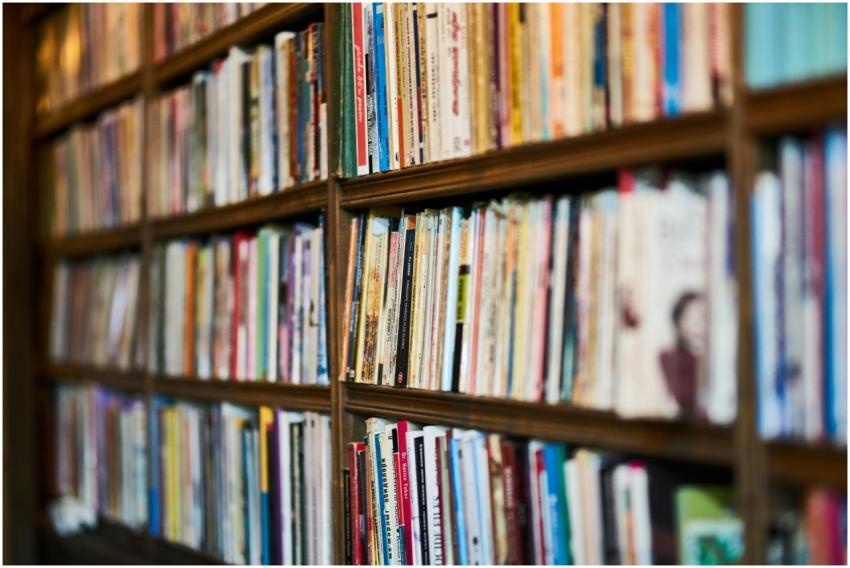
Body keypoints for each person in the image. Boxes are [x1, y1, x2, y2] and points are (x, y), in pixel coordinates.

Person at [659, 291, 706, 417]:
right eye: (699, 316)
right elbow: (683, 397)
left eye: (705, 315)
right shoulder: (670, 357)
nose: (703, 321)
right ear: (681, 322)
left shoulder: (707, 354)